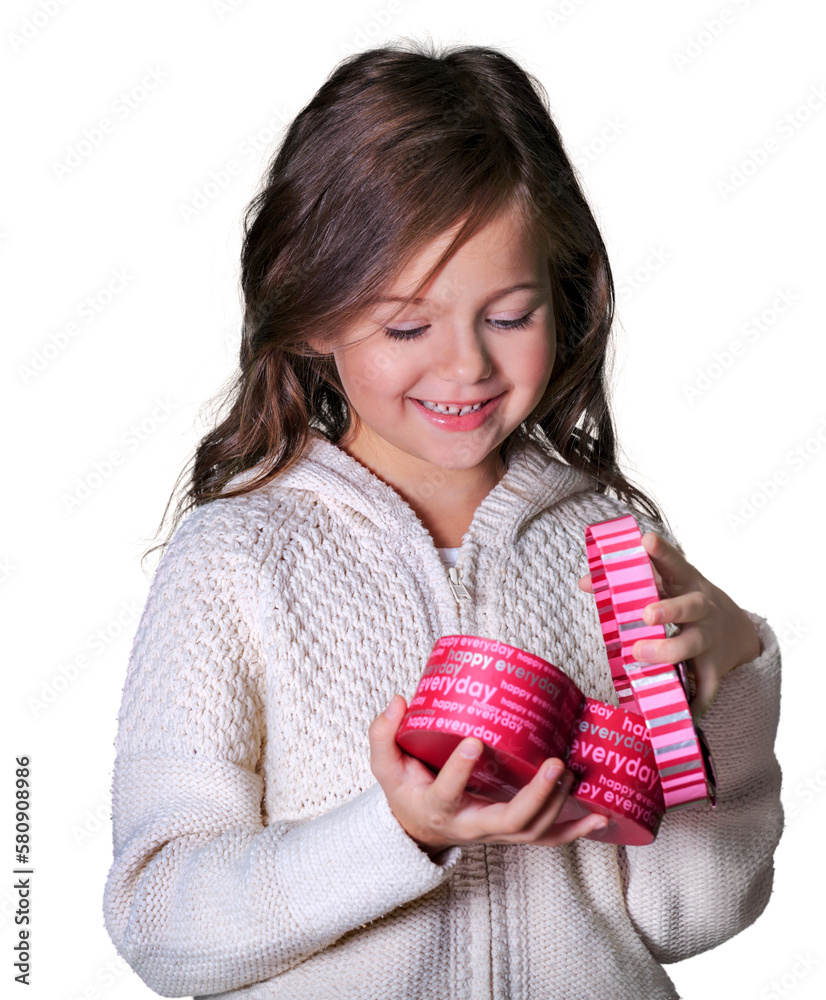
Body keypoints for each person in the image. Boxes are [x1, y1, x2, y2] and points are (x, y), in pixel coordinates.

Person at [102, 39, 783, 1000]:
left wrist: (739, 677)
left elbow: (690, 913)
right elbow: (161, 921)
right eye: (408, 326)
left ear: (564, 295)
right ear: (310, 316)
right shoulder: (235, 561)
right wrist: (399, 832)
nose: (465, 368)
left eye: (509, 315)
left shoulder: (611, 549)